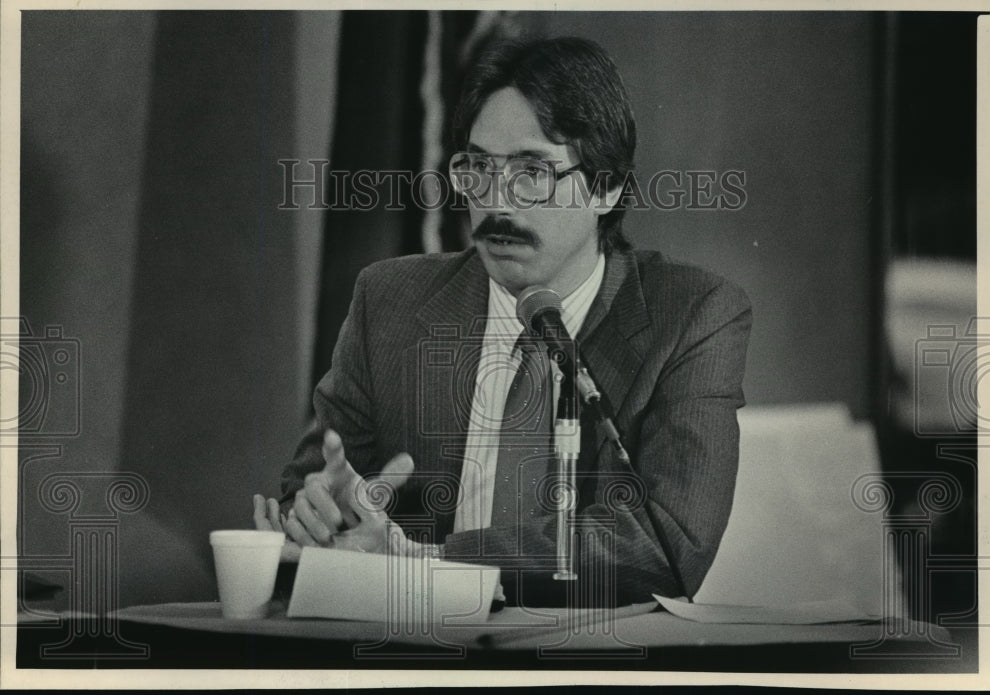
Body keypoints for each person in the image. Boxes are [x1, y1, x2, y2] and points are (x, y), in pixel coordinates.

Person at [253, 36, 752, 608]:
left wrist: (431, 563)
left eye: (532, 171)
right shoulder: (389, 300)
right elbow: (305, 494)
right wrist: (324, 514)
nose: (496, 203)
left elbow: (668, 545)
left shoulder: (691, 316)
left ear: (608, 187)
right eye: (477, 168)